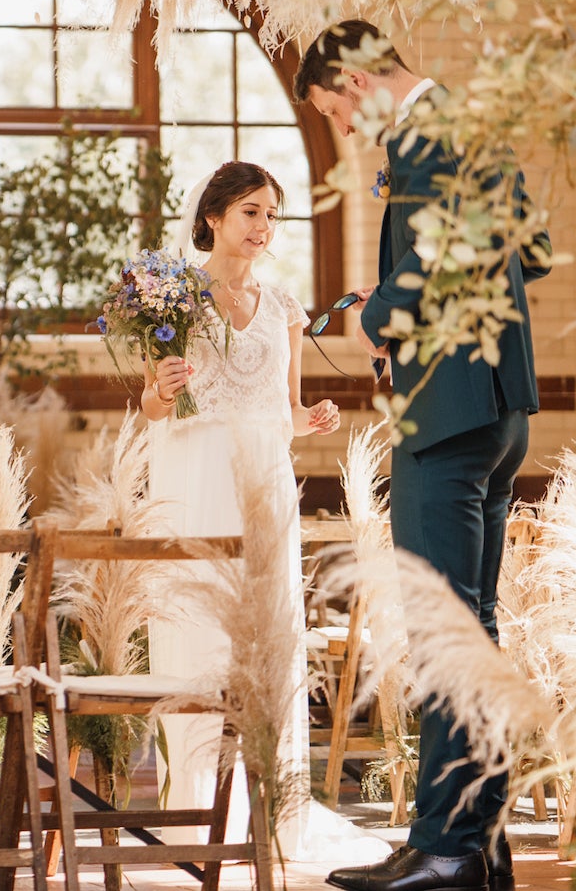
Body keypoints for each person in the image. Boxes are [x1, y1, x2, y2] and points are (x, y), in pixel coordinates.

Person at [296, 20, 550, 891]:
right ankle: (475, 840)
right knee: (471, 628)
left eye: (335, 111)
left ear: (356, 82)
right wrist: (402, 291)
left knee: (446, 631)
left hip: (445, 417)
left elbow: (444, 259)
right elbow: (530, 248)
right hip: (495, 406)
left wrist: (378, 317)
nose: (344, 128)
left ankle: (444, 848)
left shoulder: (428, 134)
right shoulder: (467, 127)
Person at [142, 160, 393, 866]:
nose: (263, 227)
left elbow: (281, 410)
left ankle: (271, 812)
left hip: (264, 482)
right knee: (197, 634)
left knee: (269, 639)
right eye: (251, 212)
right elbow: (152, 407)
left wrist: (308, 419)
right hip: (197, 478)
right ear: (214, 217)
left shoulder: (284, 307)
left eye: (272, 214)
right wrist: (163, 387)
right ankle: (193, 814)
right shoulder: (174, 299)